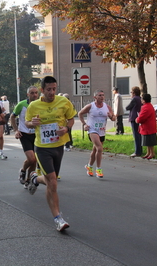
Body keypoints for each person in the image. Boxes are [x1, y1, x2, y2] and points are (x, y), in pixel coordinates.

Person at [25, 76, 76, 232]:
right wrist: (31, 123)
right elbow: (27, 122)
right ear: (42, 90)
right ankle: (58, 218)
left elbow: (71, 119)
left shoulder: (63, 102)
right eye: (49, 89)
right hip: (42, 148)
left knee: (49, 180)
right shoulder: (34, 105)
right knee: (52, 182)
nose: (52, 92)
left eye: (54, 89)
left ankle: (34, 178)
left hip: (59, 146)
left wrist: (66, 129)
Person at [78, 89, 116, 178]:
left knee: (95, 150)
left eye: (103, 95)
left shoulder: (107, 107)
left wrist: (111, 116)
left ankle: (89, 166)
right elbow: (80, 113)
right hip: (92, 130)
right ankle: (98, 169)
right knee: (99, 148)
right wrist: (84, 124)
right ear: (95, 97)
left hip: (102, 131)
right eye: (99, 95)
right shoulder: (90, 106)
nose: (102, 97)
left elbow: (114, 118)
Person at [10, 86, 39, 188]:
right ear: (28, 94)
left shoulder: (40, 105)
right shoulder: (21, 104)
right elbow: (12, 117)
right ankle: (23, 171)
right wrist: (16, 130)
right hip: (25, 134)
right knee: (31, 159)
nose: (34, 95)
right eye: (32, 93)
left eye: (36, 93)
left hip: (37, 135)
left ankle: (28, 180)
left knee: (34, 160)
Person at [136, 94, 157, 159]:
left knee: (150, 141)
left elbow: (142, 117)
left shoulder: (145, 107)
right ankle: (148, 153)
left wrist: (137, 119)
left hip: (147, 127)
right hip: (149, 126)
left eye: (142, 99)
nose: (141, 100)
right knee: (148, 142)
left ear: (144, 100)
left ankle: (152, 153)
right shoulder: (149, 106)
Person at [126, 86, 142, 157]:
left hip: (134, 117)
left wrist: (131, 99)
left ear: (134, 93)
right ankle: (140, 150)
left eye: (131, 92)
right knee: (139, 134)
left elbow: (128, 107)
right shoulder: (140, 99)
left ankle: (137, 151)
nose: (131, 93)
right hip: (139, 117)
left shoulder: (134, 99)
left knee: (136, 135)